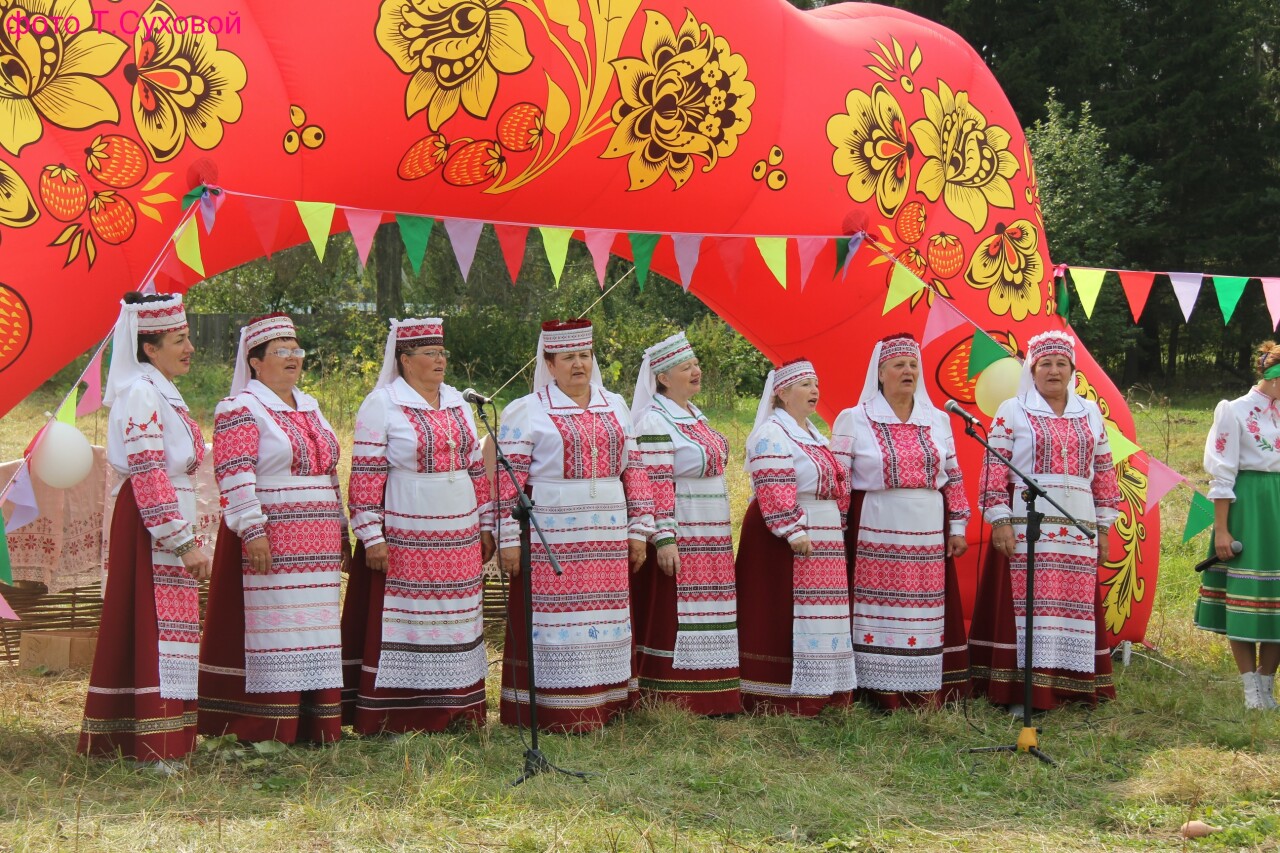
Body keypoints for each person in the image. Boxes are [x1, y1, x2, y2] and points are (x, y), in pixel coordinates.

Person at [495, 319, 655, 733]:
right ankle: (558, 710)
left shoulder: (615, 404)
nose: (578, 365)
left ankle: (606, 703)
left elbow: (634, 470)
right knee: (557, 619)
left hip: (607, 530)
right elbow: (505, 480)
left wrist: (639, 531)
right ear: (549, 363)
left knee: (606, 615)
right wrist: (508, 540)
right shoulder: (526, 410)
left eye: (584, 356)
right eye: (568, 357)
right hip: (554, 532)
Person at [198, 314, 348, 744]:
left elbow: (330, 474)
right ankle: (268, 725)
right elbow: (234, 473)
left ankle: (314, 723)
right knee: (277, 628)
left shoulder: (312, 406)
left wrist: (341, 532)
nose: (292, 359)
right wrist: (252, 529)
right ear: (256, 361)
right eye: (280, 352)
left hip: (316, 543)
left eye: (296, 350)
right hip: (273, 535)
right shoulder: (241, 408)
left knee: (314, 627)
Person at [341, 318, 496, 734]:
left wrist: (486, 523)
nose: (440, 360)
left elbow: (476, 468)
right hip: (409, 527)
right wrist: (371, 535)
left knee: (458, 613)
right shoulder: (383, 403)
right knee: (411, 614)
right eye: (430, 353)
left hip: (460, 528)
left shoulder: (459, 403)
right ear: (406, 360)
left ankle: (458, 707)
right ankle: (403, 713)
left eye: (442, 352)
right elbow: (366, 475)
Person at [79, 292, 212, 773]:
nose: (190, 347)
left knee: (168, 627)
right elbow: (149, 470)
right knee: (156, 626)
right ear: (149, 348)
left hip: (163, 514)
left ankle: (164, 739)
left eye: (188, 337)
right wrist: (181, 540)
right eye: (180, 339)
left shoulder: (159, 389)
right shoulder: (141, 392)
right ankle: (152, 743)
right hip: (151, 520)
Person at [969, 330, 1121, 712]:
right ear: (1032, 370)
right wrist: (999, 519)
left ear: (1072, 371)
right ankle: (1023, 692)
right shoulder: (1013, 410)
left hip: (1077, 525)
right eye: (1045, 364)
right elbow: (993, 471)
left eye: (1061, 364)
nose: (1054, 371)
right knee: (1031, 607)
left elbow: (1103, 472)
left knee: (1072, 605)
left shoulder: (1089, 412)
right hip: (1026, 524)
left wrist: (1102, 527)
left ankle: (1071, 686)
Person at [831, 333, 971, 710]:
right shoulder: (855, 419)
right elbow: (840, 482)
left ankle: (922, 690)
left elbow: (953, 477)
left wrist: (958, 525)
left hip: (927, 530)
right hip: (878, 524)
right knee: (879, 607)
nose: (908, 371)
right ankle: (878, 690)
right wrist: (836, 534)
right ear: (880, 374)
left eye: (913, 365)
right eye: (899, 365)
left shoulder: (937, 420)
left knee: (921, 610)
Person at [736, 358, 855, 715]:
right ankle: (781, 695)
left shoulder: (814, 434)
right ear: (782, 393)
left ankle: (824, 691)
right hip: (786, 536)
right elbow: (773, 484)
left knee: (822, 615)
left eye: (816, 384)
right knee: (787, 612)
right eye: (805, 385)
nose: (814, 391)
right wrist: (791, 528)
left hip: (822, 535)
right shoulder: (771, 433)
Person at [630, 332, 740, 714]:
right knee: (678, 606)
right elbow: (654, 482)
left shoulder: (695, 416)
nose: (696, 371)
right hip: (684, 523)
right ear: (662, 378)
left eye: (695, 364)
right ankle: (674, 694)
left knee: (712, 603)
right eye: (685, 367)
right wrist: (664, 538)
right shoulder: (654, 420)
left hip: (712, 526)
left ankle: (717, 691)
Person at [1198, 340, 1280, 710]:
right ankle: (1250, 689)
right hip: (1249, 509)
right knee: (1247, 598)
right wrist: (1222, 529)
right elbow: (1222, 475)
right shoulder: (1234, 411)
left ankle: (1267, 683)